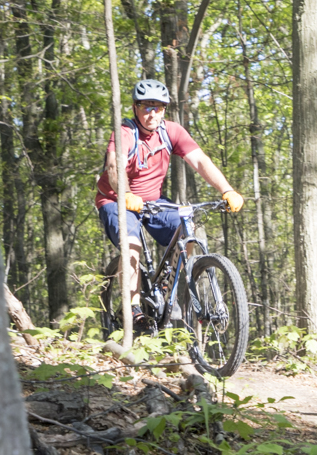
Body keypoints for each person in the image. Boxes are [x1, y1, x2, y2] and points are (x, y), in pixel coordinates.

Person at [95, 78, 244, 322]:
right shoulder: (124, 133)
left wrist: (226, 190)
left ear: (164, 109)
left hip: (153, 202)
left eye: (158, 107)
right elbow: (114, 167)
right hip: (116, 200)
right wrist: (126, 194)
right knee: (132, 245)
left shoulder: (170, 131)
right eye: (146, 106)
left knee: (187, 230)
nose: (152, 113)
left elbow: (200, 161)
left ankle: (165, 289)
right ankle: (134, 310)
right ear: (135, 107)